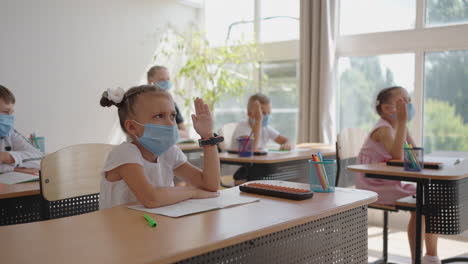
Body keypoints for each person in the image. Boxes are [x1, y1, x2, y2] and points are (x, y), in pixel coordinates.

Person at [99, 85, 221, 209]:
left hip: (156, 225)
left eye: (172, 116)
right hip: (119, 226)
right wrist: (193, 192)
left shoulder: (169, 152)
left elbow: (210, 185)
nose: (170, 123)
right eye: (159, 116)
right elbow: (151, 198)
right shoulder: (125, 153)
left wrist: (207, 136)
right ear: (132, 127)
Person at [356, 86, 439, 264]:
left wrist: (404, 127)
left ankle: (431, 257)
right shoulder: (383, 129)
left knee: (431, 199)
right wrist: (402, 123)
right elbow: (397, 156)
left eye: (409, 101)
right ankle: (417, 260)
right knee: (420, 204)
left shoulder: (397, 128)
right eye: (403, 102)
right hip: (374, 185)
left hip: (390, 182)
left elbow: (415, 155)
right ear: (386, 108)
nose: (408, 105)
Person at [230, 93, 292, 185]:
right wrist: (258, 121)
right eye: (262, 113)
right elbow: (251, 150)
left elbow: (286, 140)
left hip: (260, 167)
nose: (265, 116)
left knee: (284, 170)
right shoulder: (242, 127)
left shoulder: (265, 127)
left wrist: (287, 144)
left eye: (268, 113)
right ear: (249, 113)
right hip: (243, 172)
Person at [0, 85, 43, 174]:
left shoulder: (10, 133)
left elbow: (40, 158)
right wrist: (13, 169)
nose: (10, 117)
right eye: (5, 112)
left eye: (11, 112)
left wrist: (8, 157)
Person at [147, 65, 189, 138]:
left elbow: (185, 133)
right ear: (151, 82)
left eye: (168, 79)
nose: (166, 82)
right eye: (162, 80)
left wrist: (170, 133)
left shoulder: (172, 104)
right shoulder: (142, 104)